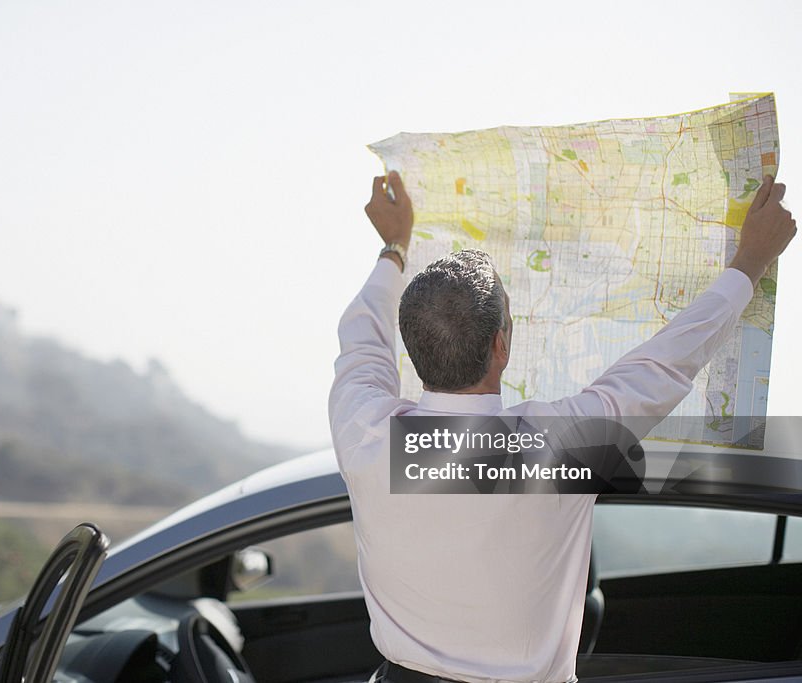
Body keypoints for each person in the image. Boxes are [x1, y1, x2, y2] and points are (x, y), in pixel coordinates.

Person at [329, 171, 796, 683]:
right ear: (501, 348)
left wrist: (394, 246)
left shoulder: (367, 433)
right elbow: (664, 365)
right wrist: (751, 260)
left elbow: (362, 335)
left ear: (413, 350)